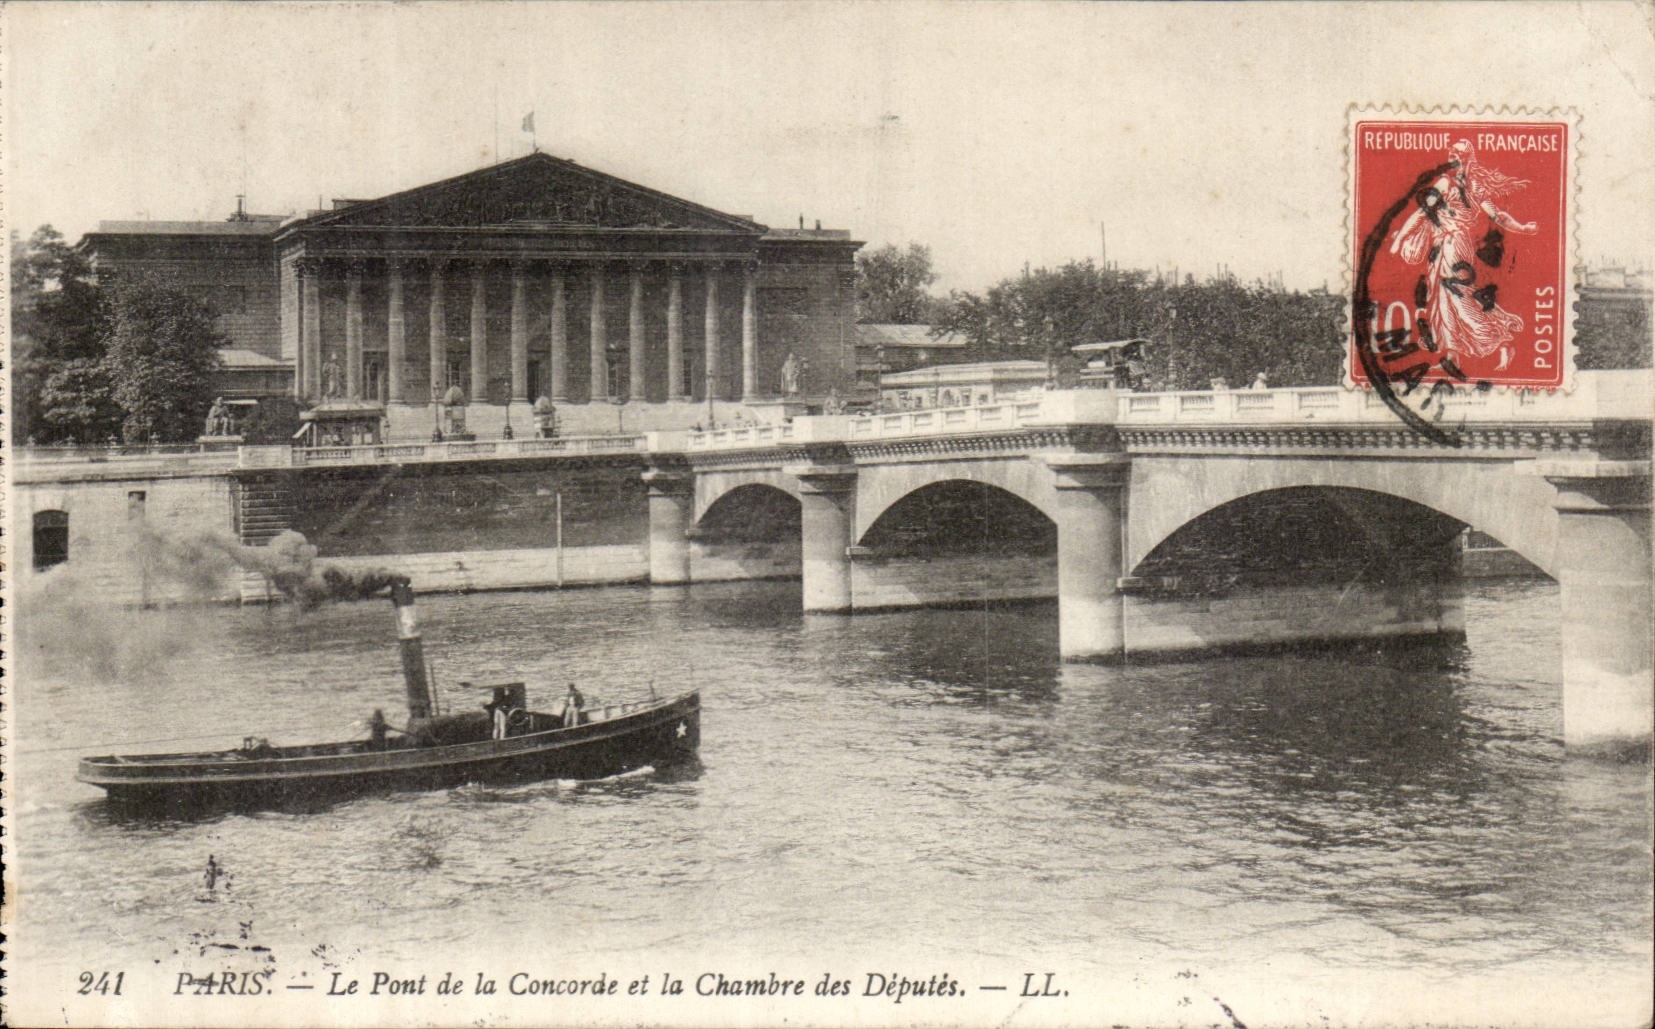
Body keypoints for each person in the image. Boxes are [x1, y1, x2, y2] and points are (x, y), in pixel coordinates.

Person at [1388, 139, 1538, 371]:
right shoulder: (1456, 184)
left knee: (1457, 299)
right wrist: (1400, 239)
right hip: (1447, 245)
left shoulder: (1461, 185)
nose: (1452, 156)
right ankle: (1452, 357)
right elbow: (1424, 212)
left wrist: (1523, 228)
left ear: (1467, 157)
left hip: (1453, 245)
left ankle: (1501, 344)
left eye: (1457, 153)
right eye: (1451, 152)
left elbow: (1497, 216)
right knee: (1442, 299)